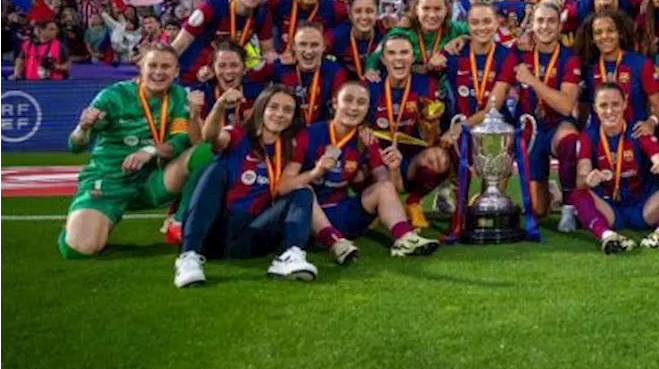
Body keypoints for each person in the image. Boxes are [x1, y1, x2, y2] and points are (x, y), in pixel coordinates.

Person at [172, 85, 318, 287]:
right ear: (262, 108)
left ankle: (290, 255)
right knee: (215, 170)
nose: (279, 114)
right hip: (215, 232)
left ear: (293, 117)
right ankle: (189, 256)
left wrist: (315, 173)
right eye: (273, 107)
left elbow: (285, 187)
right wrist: (220, 106)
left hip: (252, 233)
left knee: (303, 192)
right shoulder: (239, 134)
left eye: (287, 110)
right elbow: (211, 137)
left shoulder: (290, 147)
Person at [60, 45, 194, 258]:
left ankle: (178, 220)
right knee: (80, 249)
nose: (159, 72)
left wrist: (149, 151)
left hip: (151, 182)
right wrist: (83, 128)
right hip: (110, 181)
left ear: (176, 71)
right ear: (141, 67)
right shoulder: (113, 96)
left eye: (166, 66)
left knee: (200, 153)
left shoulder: (178, 96)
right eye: (152, 65)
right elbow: (76, 146)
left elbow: (179, 141)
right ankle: (93, 220)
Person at [288, 82, 438, 263]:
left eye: (361, 102)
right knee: (303, 190)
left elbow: (389, 188)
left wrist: (394, 168)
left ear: (368, 108)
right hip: (309, 218)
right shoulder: (310, 134)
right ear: (335, 103)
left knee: (383, 188)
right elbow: (284, 185)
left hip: (344, 213)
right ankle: (336, 243)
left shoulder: (366, 140)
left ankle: (405, 238)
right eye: (348, 100)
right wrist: (315, 172)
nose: (353, 107)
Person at [567, 84, 659, 254]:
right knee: (577, 195)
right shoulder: (588, 137)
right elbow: (581, 179)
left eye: (615, 104)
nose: (610, 111)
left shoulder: (639, 131)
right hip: (610, 208)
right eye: (603, 105)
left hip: (644, 206)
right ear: (595, 109)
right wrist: (588, 179)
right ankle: (607, 236)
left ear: (625, 104)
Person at [366, 31, 452, 230]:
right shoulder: (371, 86)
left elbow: (432, 137)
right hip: (376, 159)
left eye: (404, 53)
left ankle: (413, 202)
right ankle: (374, 206)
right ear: (383, 59)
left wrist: (430, 124)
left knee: (440, 158)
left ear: (412, 57)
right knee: (354, 165)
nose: (398, 59)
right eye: (392, 53)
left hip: (410, 159)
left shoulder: (426, 85)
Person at [512, 0, 582, 218]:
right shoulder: (519, 52)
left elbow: (565, 106)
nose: (545, 26)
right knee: (537, 210)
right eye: (540, 21)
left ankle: (569, 207)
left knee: (569, 140)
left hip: (557, 125)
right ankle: (549, 192)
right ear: (532, 24)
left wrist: (531, 80)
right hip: (530, 129)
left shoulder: (569, 57)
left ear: (560, 27)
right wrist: (462, 38)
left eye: (551, 21)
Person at [173, 0, 274, 81]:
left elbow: (268, 52)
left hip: (227, 78)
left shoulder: (262, 14)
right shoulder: (212, 7)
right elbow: (179, 45)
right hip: (192, 77)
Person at [245, 23, 346, 126]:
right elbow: (250, 79)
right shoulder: (280, 66)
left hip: (321, 132)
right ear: (293, 46)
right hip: (284, 129)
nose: (308, 51)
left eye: (314, 45)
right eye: (302, 44)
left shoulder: (335, 71)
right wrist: (252, 106)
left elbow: (341, 108)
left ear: (324, 47)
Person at [435, 2, 517, 127]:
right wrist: (433, 63)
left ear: (496, 24)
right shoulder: (454, 51)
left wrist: (460, 129)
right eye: (475, 23)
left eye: (487, 21)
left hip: (495, 129)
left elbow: (492, 109)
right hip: (456, 123)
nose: (481, 27)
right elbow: (429, 71)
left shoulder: (507, 56)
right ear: (467, 25)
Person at [329, 0, 384, 80]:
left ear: (377, 14)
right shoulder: (337, 38)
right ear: (350, 15)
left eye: (369, 11)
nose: (364, 17)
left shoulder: (385, 38)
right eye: (358, 11)